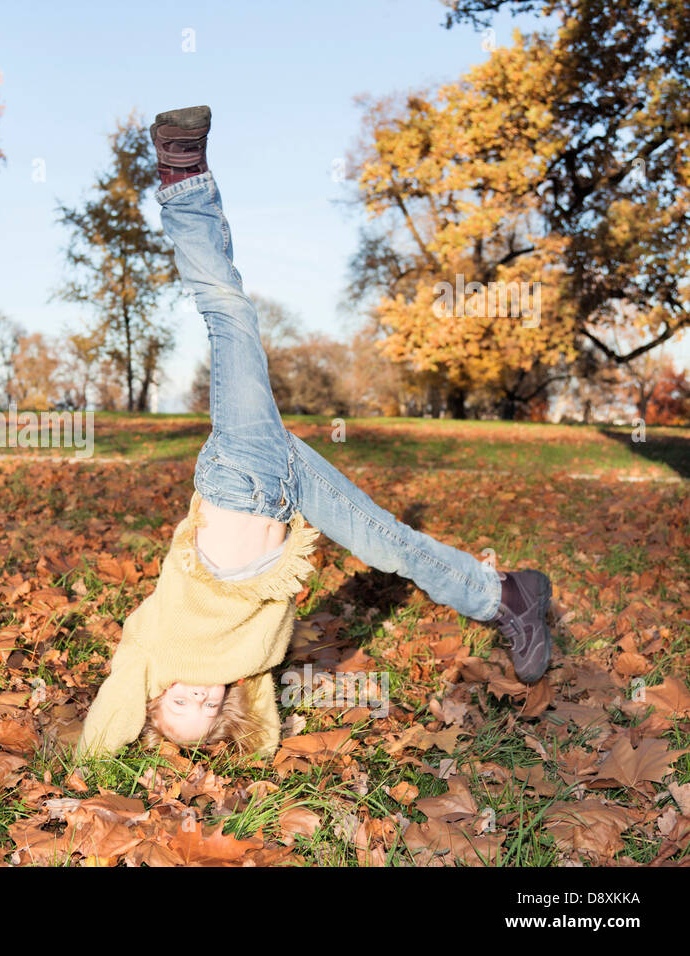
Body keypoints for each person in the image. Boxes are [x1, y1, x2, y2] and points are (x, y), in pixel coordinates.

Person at [73, 105, 554, 761]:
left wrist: (85, 770)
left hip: (238, 479)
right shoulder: (248, 666)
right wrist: (248, 736)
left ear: (153, 695)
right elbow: (258, 716)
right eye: (208, 709)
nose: (202, 696)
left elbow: (108, 716)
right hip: (286, 491)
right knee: (391, 545)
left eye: (181, 703)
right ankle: (506, 594)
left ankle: (183, 173)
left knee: (229, 311)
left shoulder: (152, 652)